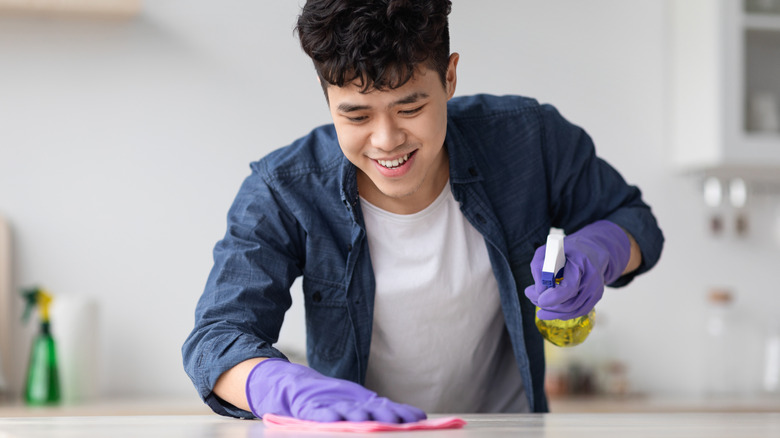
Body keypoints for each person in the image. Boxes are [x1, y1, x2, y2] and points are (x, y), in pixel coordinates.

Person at [182, 0, 664, 423]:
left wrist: (599, 252)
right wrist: (281, 387)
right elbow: (217, 337)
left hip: (509, 430)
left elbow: (635, 221)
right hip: (365, 435)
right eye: (356, 115)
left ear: (449, 76)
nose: (387, 141)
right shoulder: (284, 190)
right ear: (327, 98)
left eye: (409, 108)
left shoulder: (528, 138)